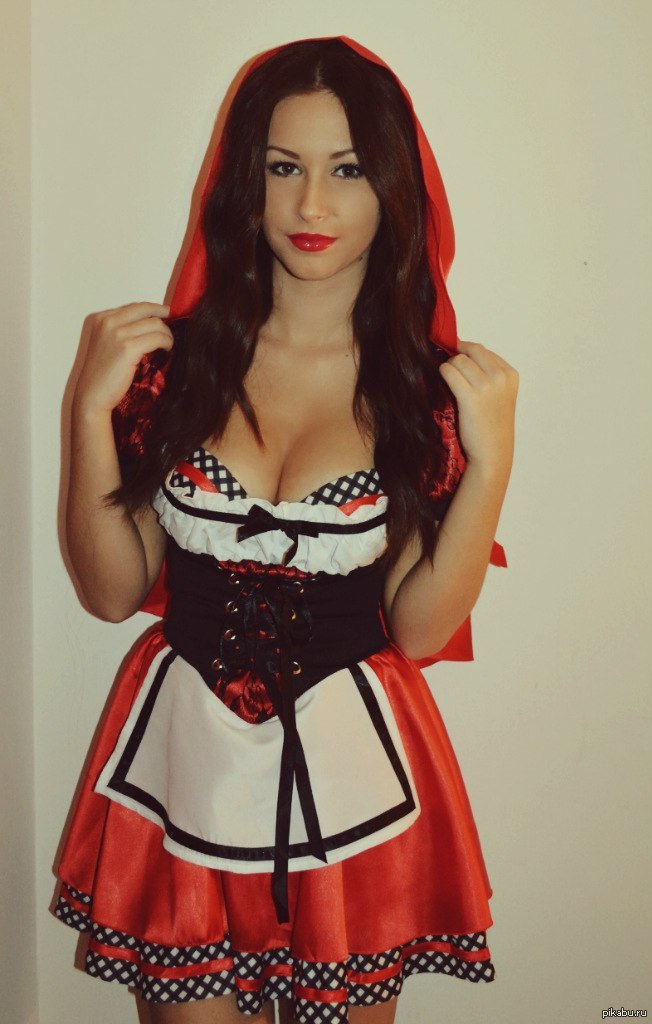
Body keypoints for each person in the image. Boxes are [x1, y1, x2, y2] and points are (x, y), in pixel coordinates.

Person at [54, 35, 518, 1024]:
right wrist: (88, 413)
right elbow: (108, 591)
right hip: (185, 765)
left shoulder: (427, 396)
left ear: (392, 187)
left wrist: (492, 464)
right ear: (244, 182)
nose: (311, 205)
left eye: (346, 170)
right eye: (282, 167)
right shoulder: (170, 369)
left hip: (352, 771)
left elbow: (419, 631)